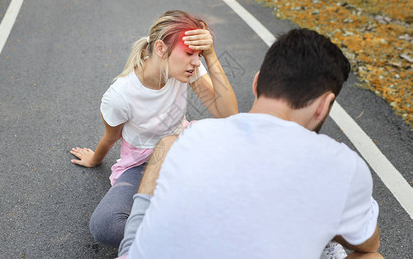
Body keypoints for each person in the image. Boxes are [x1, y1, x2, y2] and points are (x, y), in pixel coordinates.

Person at [117, 28, 383, 259]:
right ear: (324, 104)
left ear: (256, 83)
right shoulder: (343, 165)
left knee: (166, 143)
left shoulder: (195, 136)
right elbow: (368, 243)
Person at [70, 10, 238, 247]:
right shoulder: (119, 97)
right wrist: (95, 160)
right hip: (142, 164)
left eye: (199, 55)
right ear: (160, 49)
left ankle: (178, 230)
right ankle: (186, 235)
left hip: (183, 148)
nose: (196, 62)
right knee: (105, 226)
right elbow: (111, 137)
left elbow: (228, 113)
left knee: (237, 150)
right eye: (190, 53)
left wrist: (211, 56)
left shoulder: (187, 71)